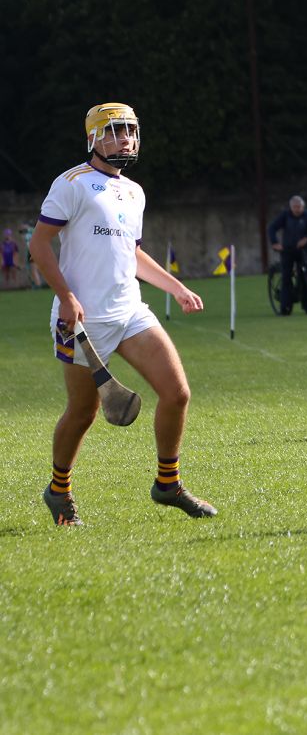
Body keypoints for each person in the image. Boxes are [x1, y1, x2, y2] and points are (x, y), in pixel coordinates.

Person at [29, 102, 216, 526]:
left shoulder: (134, 192)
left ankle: (167, 483)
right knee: (83, 412)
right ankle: (59, 491)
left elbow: (131, 253)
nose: (124, 139)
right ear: (93, 138)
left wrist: (177, 287)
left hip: (129, 311)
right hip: (82, 321)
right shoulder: (71, 184)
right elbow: (39, 246)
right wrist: (67, 297)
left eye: (129, 131)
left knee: (177, 393)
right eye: (113, 132)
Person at [268, 195, 307, 315]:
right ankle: (285, 307)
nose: (297, 209)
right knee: (286, 277)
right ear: (291, 207)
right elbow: (272, 228)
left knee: (304, 276)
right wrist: (275, 243)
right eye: (295, 207)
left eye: (299, 207)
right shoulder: (285, 216)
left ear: (303, 207)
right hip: (287, 250)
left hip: (303, 250)